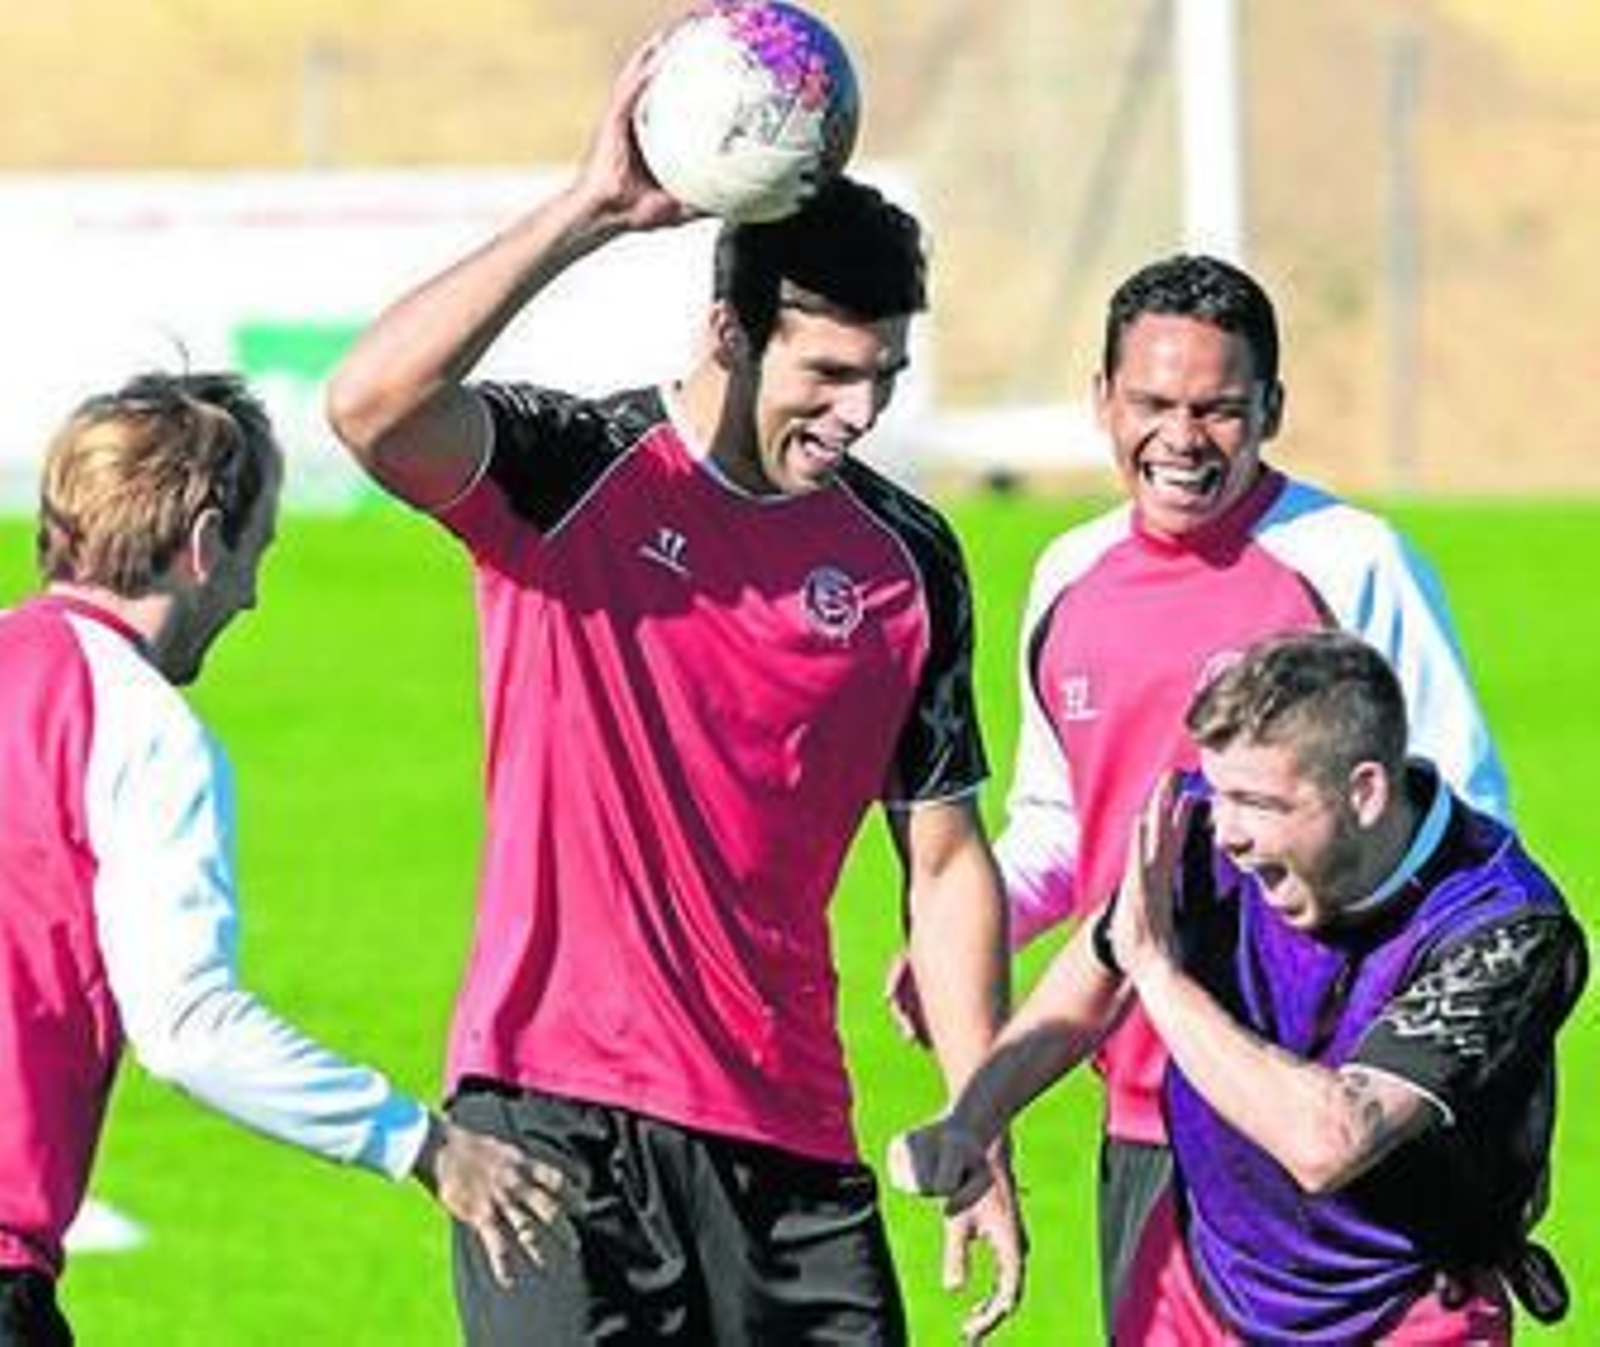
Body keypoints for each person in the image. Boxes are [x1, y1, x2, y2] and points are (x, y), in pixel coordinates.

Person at [324, 34, 1023, 1347]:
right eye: (828, 373)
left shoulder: (908, 559)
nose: (861, 411)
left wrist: (976, 1106)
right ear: (729, 332)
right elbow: (369, 405)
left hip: (792, 1141)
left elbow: (942, 857)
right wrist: (590, 210)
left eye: (885, 378)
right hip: (551, 1118)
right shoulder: (572, 468)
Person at [886, 251, 1511, 1332]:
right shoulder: (1067, 575)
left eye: (1219, 409)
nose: (1182, 438)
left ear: (1270, 407)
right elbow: (1057, 819)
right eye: (1153, 403)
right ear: (1100, 402)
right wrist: (976, 921)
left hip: (1320, 1106)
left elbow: (1465, 819)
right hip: (1142, 1110)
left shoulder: (1351, 560)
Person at [0, 372, 571, 1347]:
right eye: (254, 552)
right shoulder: (138, 727)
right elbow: (188, 1026)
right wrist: (424, 1145)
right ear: (203, 544)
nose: (253, 596)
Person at [891, 629, 1586, 1342]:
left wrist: (1158, 972)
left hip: (1409, 1309)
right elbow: (1102, 961)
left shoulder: (1504, 925)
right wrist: (973, 1119)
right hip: (1199, 1292)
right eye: (1218, 790)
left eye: (1256, 801)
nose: (1226, 831)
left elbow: (1332, 1139)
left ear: (1366, 791)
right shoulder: (1198, 825)